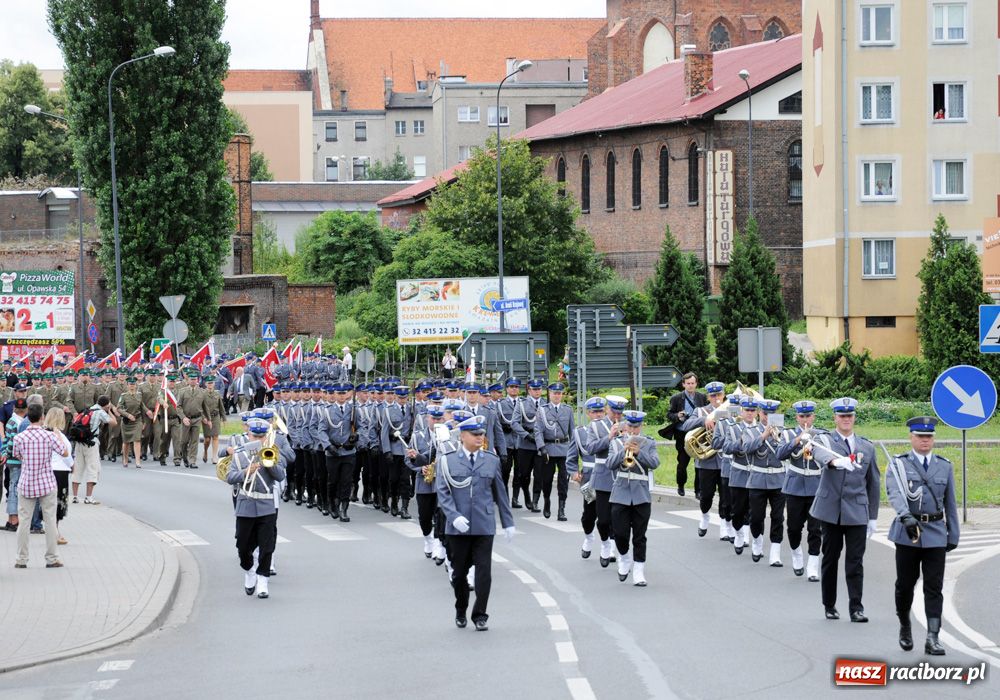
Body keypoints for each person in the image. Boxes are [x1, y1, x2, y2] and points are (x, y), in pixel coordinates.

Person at [886, 417, 959, 655]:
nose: (925, 440)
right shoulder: (898, 464)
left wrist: (953, 534)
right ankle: (905, 625)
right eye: (920, 436)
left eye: (929, 437)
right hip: (908, 533)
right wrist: (905, 516)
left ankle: (932, 637)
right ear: (911, 437)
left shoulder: (944, 465)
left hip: (936, 533)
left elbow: (950, 503)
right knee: (905, 585)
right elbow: (894, 493)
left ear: (933, 438)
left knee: (934, 587)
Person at [436, 415, 515, 631]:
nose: (480, 437)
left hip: (483, 524)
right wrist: (454, 516)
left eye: (481, 434)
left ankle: (480, 614)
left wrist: (507, 522)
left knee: (483, 573)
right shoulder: (447, 460)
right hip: (457, 527)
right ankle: (461, 608)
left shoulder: (491, 460)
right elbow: (443, 493)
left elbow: (500, 493)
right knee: (459, 574)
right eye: (475, 434)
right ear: (462, 436)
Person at [810, 397, 881, 622]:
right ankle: (829, 605)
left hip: (857, 511)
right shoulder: (825, 440)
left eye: (849, 416)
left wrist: (873, 517)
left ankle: (856, 608)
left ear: (854, 418)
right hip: (831, 509)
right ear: (835, 418)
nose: (846, 419)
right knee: (830, 558)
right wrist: (835, 462)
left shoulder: (867, 446)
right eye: (842, 416)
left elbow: (874, 483)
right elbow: (818, 453)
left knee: (855, 561)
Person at [226, 417, 286, 599]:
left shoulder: (271, 452)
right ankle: (249, 569)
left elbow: (280, 476)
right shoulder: (239, 454)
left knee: (267, 546)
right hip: (245, 504)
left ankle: (262, 579)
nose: (258, 440)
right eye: (255, 436)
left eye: (262, 436)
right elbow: (230, 477)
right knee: (243, 546)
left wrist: (270, 464)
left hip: (266, 505)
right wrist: (246, 472)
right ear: (249, 435)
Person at [12, 403, 70, 568]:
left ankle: (21, 559)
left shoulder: (19, 437)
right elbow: (65, 452)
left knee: (24, 522)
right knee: (50, 521)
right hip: (46, 481)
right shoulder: (49, 436)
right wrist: (57, 434)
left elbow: (17, 455)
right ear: (42, 417)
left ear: (28, 417)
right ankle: (51, 558)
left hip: (27, 482)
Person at [607, 410, 659, 586]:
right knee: (620, 533)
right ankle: (624, 557)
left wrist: (638, 453)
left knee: (639, 536)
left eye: (636, 427)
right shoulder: (616, 443)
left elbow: (654, 463)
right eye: (630, 426)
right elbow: (609, 464)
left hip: (641, 495)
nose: (633, 430)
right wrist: (624, 451)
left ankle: (638, 570)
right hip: (620, 493)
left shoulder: (649, 443)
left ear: (641, 427)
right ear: (625, 425)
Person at [776, 401, 828, 580]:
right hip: (795, 486)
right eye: (801, 416)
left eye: (808, 416)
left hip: (816, 485)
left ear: (813, 416)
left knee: (815, 529)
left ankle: (813, 566)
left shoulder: (822, 434)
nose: (805, 419)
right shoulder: (788, 433)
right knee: (793, 527)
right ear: (796, 417)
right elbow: (779, 454)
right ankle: (797, 554)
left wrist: (813, 440)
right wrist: (798, 440)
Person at [680, 382, 729, 539]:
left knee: (726, 496)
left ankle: (724, 526)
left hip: (725, 460)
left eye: (719, 395)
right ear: (708, 397)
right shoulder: (700, 410)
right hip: (706, 462)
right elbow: (685, 424)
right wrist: (703, 420)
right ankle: (705, 515)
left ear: (724, 395)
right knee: (706, 495)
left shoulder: (730, 411)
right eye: (713, 396)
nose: (716, 398)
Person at [744, 399, 787, 567]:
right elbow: (746, 448)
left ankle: (775, 553)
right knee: (756, 517)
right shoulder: (752, 430)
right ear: (759, 413)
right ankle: (757, 542)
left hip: (778, 480)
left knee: (778, 517)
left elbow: (787, 450)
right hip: (757, 480)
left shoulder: (784, 432)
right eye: (765, 413)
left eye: (771, 414)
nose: (767, 417)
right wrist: (764, 436)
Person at [534, 382, 574, 520]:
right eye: (554, 393)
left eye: (559, 393)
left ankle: (561, 509)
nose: (557, 395)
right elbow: (537, 430)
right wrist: (542, 447)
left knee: (563, 481)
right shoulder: (542, 410)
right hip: (549, 449)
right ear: (550, 394)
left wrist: (574, 451)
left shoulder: (568, 410)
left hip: (564, 450)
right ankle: (546, 501)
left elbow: (572, 432)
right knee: (547, 479)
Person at [666, 372, 707, 498]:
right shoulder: (676, 398)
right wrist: (677, 416)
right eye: (688, 383)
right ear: (683, 384)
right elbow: (669, 415)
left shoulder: (702, 397)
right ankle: (681, 485)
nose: (690, 386)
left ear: (696, 384)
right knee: (682, 463)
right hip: (682, 434)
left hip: (698, 433)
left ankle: (698, 490)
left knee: (699, 463)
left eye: (692, 383)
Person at [71, 395, 117, 505]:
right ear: (106, 405)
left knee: (77, 468)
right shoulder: (100, 412)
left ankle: (75, 497)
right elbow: (114, 423)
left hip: (79, 442)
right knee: (93, 468)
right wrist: (109, 411)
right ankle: (88, 497)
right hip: (92, 443)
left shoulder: (88, 410)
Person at [44, 408, 73, 545]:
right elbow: (65, 452)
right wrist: (72, 465)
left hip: (48, 470)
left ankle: (53, 531)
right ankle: (55, 532)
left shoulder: (44, 433)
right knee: (57, 503)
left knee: (50, 502)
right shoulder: (57, 435)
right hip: (60, 471)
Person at [3, 398, 29, 531]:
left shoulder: (11, 421)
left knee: (12, 488)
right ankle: (14, 520)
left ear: (14, 409)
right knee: (14, 489)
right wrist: (11, 454)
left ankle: (10, 519)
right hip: (17, 460)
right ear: (26, 409)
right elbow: (13, 445)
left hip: (11, 460)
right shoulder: (23, 423)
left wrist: (6, 454)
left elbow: (6, 440)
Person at [117, 375, 144, 468]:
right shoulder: (123, 396)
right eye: (130, 384)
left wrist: (147, 413)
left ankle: (137, 461)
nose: (132, 386)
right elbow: (119, 408)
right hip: (127, 421)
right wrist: (127, 415)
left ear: (136, 385)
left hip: (137, 420)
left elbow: (142, 406)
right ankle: (125, 458)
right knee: (126, 442)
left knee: (137, 439)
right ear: (127, 385)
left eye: (133, 384)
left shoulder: (139, 394)